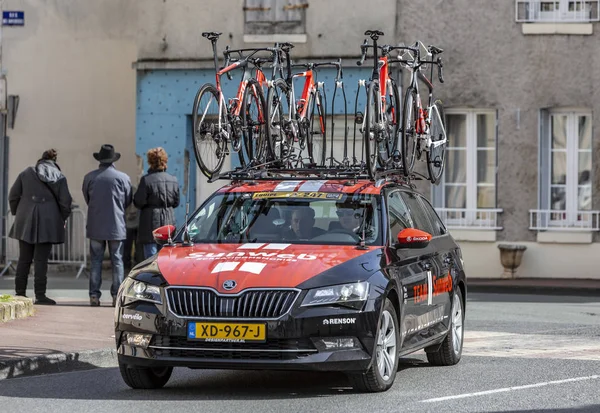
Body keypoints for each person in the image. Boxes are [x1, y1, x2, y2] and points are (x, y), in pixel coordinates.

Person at [8, 149, 73, 305]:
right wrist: (60, 219)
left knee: (24, 259)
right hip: (48, 221)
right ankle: (40, 295)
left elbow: (13, 195)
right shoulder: (59, 176)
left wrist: (19, 212)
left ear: (41, 159)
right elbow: (66, 203)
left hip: (25, 219)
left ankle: (20, 293)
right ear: (54, 161)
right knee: (41, 260)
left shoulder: (26, 172)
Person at [82, 144, 132, 307]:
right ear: (113, 160)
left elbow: (87, 199)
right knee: (117, 261)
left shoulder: (90, 177)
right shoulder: (123, 178)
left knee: (96, 261)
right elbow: (127, 201)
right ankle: (116, 296)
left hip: (96, 225)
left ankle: (94, 296)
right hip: (116, 226)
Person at [134, 147, 180, 258]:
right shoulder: (173, 180)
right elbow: (176, 202)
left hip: (149, 224)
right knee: (166, 258)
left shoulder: (146, 180)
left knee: (151, 259)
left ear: (150, 161)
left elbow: (138, 202)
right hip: (168, 223)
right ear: (165, 160)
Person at [123, 186, 144, 273]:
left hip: (128, 223)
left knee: (127, 247)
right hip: (137, 223)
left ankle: (127, 267)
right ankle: (137, 267)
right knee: (138, 247)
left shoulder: (124, 192)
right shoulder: (137, 191)